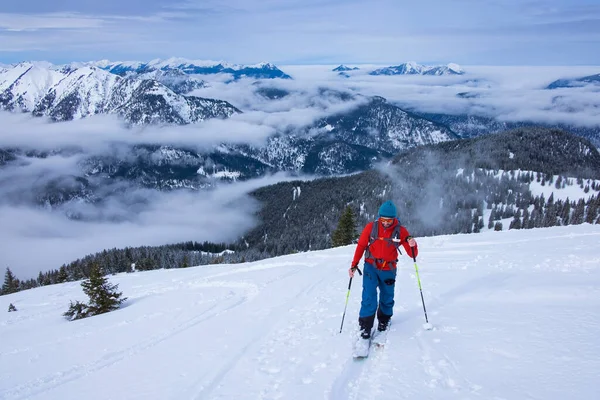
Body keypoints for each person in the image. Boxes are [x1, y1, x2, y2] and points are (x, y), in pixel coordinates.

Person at [349, 200, 418, 340]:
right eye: (383, 219)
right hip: (370, 266)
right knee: (368, 296)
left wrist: (413, 244)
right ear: (379, 217)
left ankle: (384, 320)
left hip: (389, 268)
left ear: (394, 219)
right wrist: (354, 265)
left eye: (389, 220)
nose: (386, 223)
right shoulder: (371, 228)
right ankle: (365, 326)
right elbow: (361, 246)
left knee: (387, 296)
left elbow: (412, 254)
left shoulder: (400, 231)